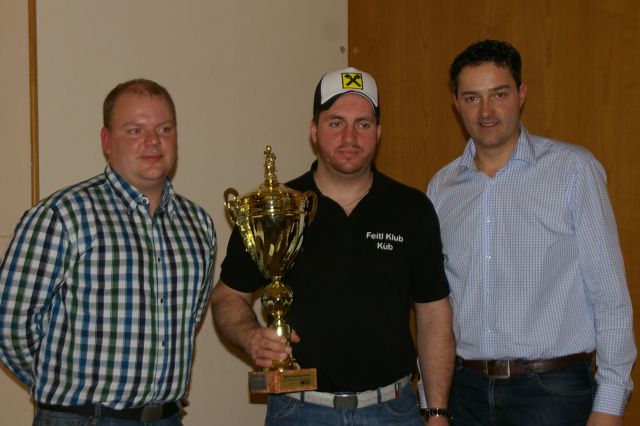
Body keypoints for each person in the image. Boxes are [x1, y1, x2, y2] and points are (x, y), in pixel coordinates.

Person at [212, 67, 454, 425]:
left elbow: (433, 313)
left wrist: (437, 412)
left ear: (378, 132)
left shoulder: (411, 209)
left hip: (393, 411)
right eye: (336, 123)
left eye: (363, 124)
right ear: (314, 131)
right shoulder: (278, 210)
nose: (350, 137)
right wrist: (251, 338)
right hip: (299, 411)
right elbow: (227, 296)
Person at [427, 39, 636, 425]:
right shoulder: (441, 188)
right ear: (456, 103)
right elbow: (436, 305)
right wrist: (433, 402)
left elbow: (610, 298)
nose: (486, 111)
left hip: (553, 394)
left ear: (521, 94)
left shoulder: (574, 171)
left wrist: (609, 404)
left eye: (499, 94)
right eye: (472, 98)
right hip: (466, 392)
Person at [0, 78, 216, 425]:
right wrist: (59, 387)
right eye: (134, 130)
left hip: (167, 418)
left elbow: (189, 322)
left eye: (164, 128)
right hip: (83, 418)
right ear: (106, 141)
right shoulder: (62, 215)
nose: (152, 141)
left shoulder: (198, 224)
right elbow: (9, 323)